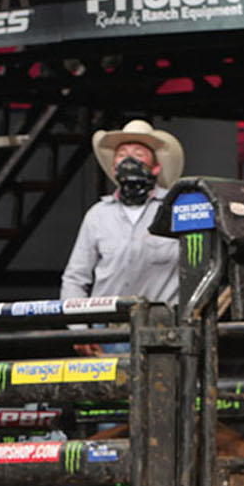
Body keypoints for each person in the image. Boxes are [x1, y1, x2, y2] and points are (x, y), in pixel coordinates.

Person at [60, 119, 184, 354]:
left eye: (139, 154)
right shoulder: (97, 215)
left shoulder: (177, 209)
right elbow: (75, 278)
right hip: (104, 331)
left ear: (156, 167)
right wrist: (78, 329)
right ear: (114, 166)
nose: (129, 160)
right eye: (122, 154)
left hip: (160, 329)